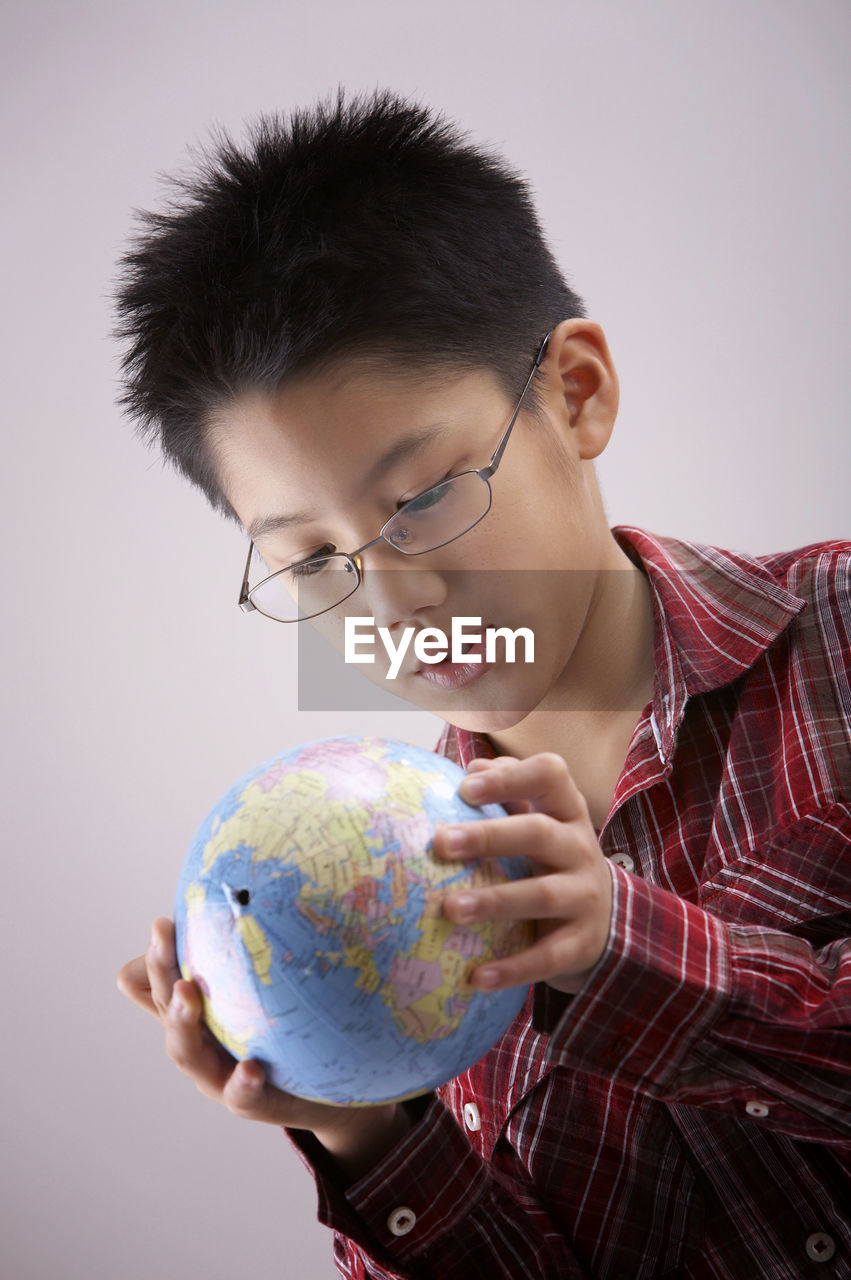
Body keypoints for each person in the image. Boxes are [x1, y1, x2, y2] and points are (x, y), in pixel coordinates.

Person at [114, 90, 850, 1279]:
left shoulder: (838, 635)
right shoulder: (393, 917)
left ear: (575, 391)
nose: (392, 603)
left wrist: (628, 954)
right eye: (311, 559)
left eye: (421, 500)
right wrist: (359, 1118)